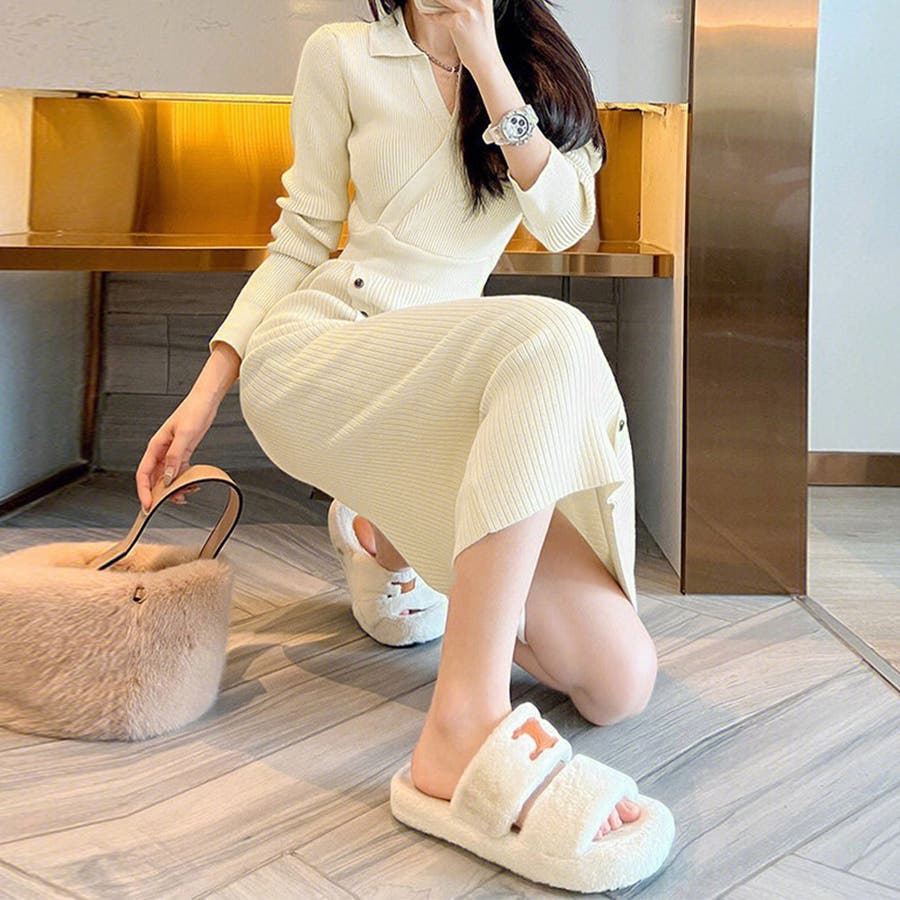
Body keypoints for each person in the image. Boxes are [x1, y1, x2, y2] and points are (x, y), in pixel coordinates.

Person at [136, 0, 672, 890]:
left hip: (453, 385)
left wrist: (482, 55)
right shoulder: (344, 54)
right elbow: (301, 237)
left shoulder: (539, 71)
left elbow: (564, 222)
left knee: (622, 685)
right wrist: (204, 395)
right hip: (328, 348)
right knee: (552, 334)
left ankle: (381, 527)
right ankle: (463, 722)